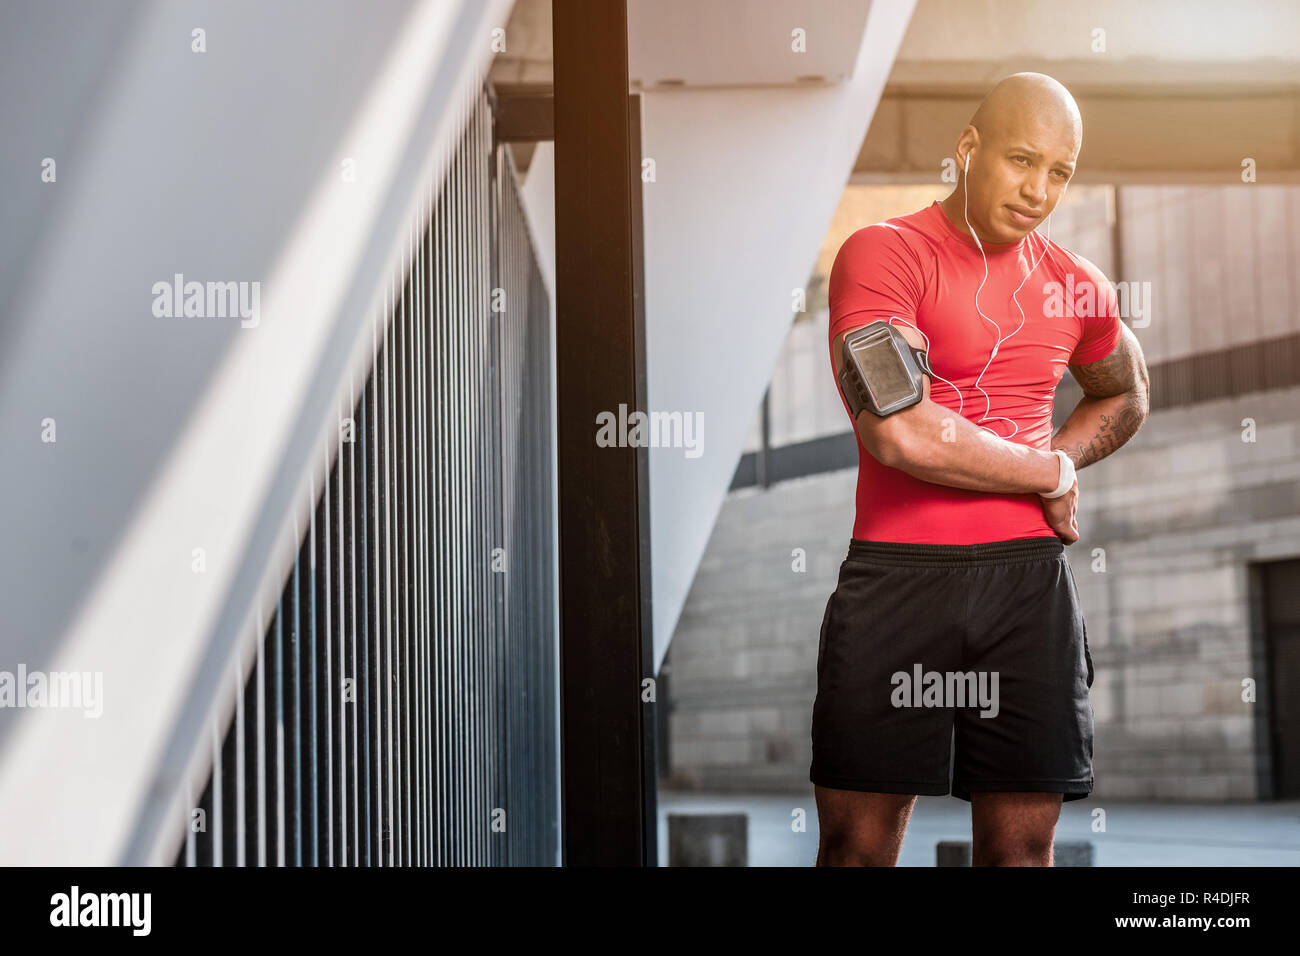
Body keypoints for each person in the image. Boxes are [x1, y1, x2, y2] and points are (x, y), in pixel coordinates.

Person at [811, 72, 1150, 866]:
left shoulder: (1076, 283)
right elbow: (900, 430)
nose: (1038, 190)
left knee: (1022, 854)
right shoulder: (881, 254)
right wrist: (1047, 474)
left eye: (1058, 172)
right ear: (969, 150)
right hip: (898, 580)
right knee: (856, 848)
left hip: (1026, 587)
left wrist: (1060, 464)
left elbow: (1129, 390)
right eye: (1021, 160)